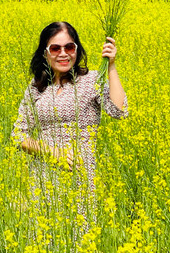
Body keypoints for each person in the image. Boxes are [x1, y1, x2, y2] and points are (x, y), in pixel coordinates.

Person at [12, 21, 128, 224]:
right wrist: (52, 153)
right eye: (55, 48)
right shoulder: (37, 86)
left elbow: (119, 111)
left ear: (77, 49)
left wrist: (111, 66)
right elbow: (18, 135)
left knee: (79, 236)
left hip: (79, 177)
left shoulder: (91, 80)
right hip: (42, 179)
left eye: (69, 47)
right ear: (45, 53)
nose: (63, 53)